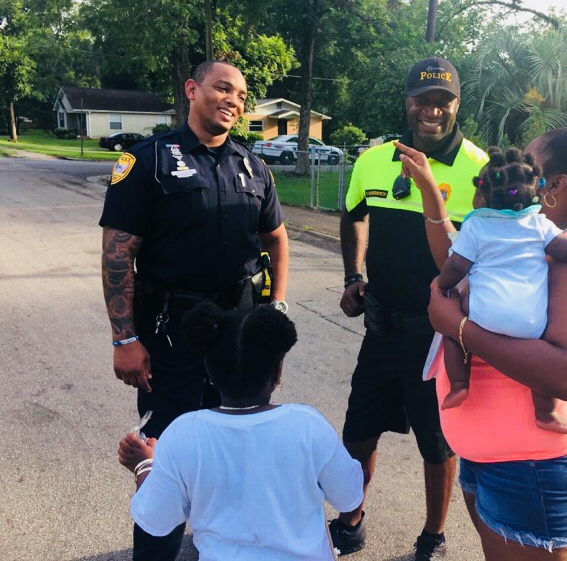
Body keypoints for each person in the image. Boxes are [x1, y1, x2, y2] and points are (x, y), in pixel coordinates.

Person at [400, 122, 567, 560]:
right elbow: (452, 258)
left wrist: (461, 329)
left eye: (525, 160)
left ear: (553, 185)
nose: (507, 165)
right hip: (489, 456)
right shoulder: (510, 237)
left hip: (532, 467)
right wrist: (431, 190)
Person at [100, 60, 290, 560]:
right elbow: (119, 252)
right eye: (222, 88)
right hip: (171, 336)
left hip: (241, 335)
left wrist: (275, 317)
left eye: (242, 95)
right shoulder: (147, 163)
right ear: (192, 90)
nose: (233, 100)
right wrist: (124, 339)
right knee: (169, 454)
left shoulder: (253, 166)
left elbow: (276, 238)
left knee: (238, 450)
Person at [332, 57, 488, 559]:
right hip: (381, 325)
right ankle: (351, 519)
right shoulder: (373, 161)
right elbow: (354, 216)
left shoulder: (480, 170)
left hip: (440, 337)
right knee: (358, 432)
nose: (432, 111)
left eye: (443, 101)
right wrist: (354, 276)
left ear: (456, 105)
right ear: (407, 102)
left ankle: (433, 536)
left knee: (437, 443)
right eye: (423, 100)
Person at [117, 302, 365, 560]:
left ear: (209, 371)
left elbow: (156, 518)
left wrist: (145, 466)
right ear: (278, 372)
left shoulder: (184, 432)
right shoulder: (308, 425)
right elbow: (349, 496)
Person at [428, 146, 567, 426]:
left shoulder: (476, 228)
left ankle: (460, 383)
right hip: (531, 324)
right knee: (536, 360)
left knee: (452, 333)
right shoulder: (539, 226)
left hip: (484, 313)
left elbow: (457, 266)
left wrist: (443, 288)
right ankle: (545, 412)